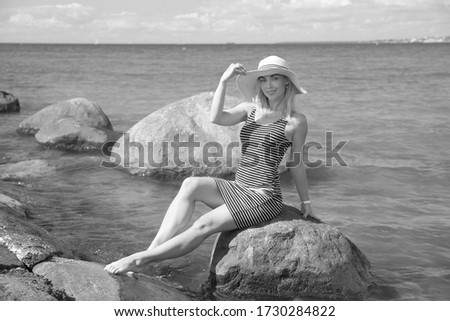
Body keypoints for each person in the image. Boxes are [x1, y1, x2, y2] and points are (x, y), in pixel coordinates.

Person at [104, 55, 312, 275]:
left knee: (203, 224)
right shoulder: (250, 110)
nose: (268, 85)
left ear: (286, 82)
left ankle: (139, 261)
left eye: (275, 78)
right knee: (191, 184)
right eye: (263, 79)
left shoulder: (295, 121)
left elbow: (296, 163)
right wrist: (223, 81)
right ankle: (152, 252)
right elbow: (217, 118)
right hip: (237, 187)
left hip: (263, 196)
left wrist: (306, 201)